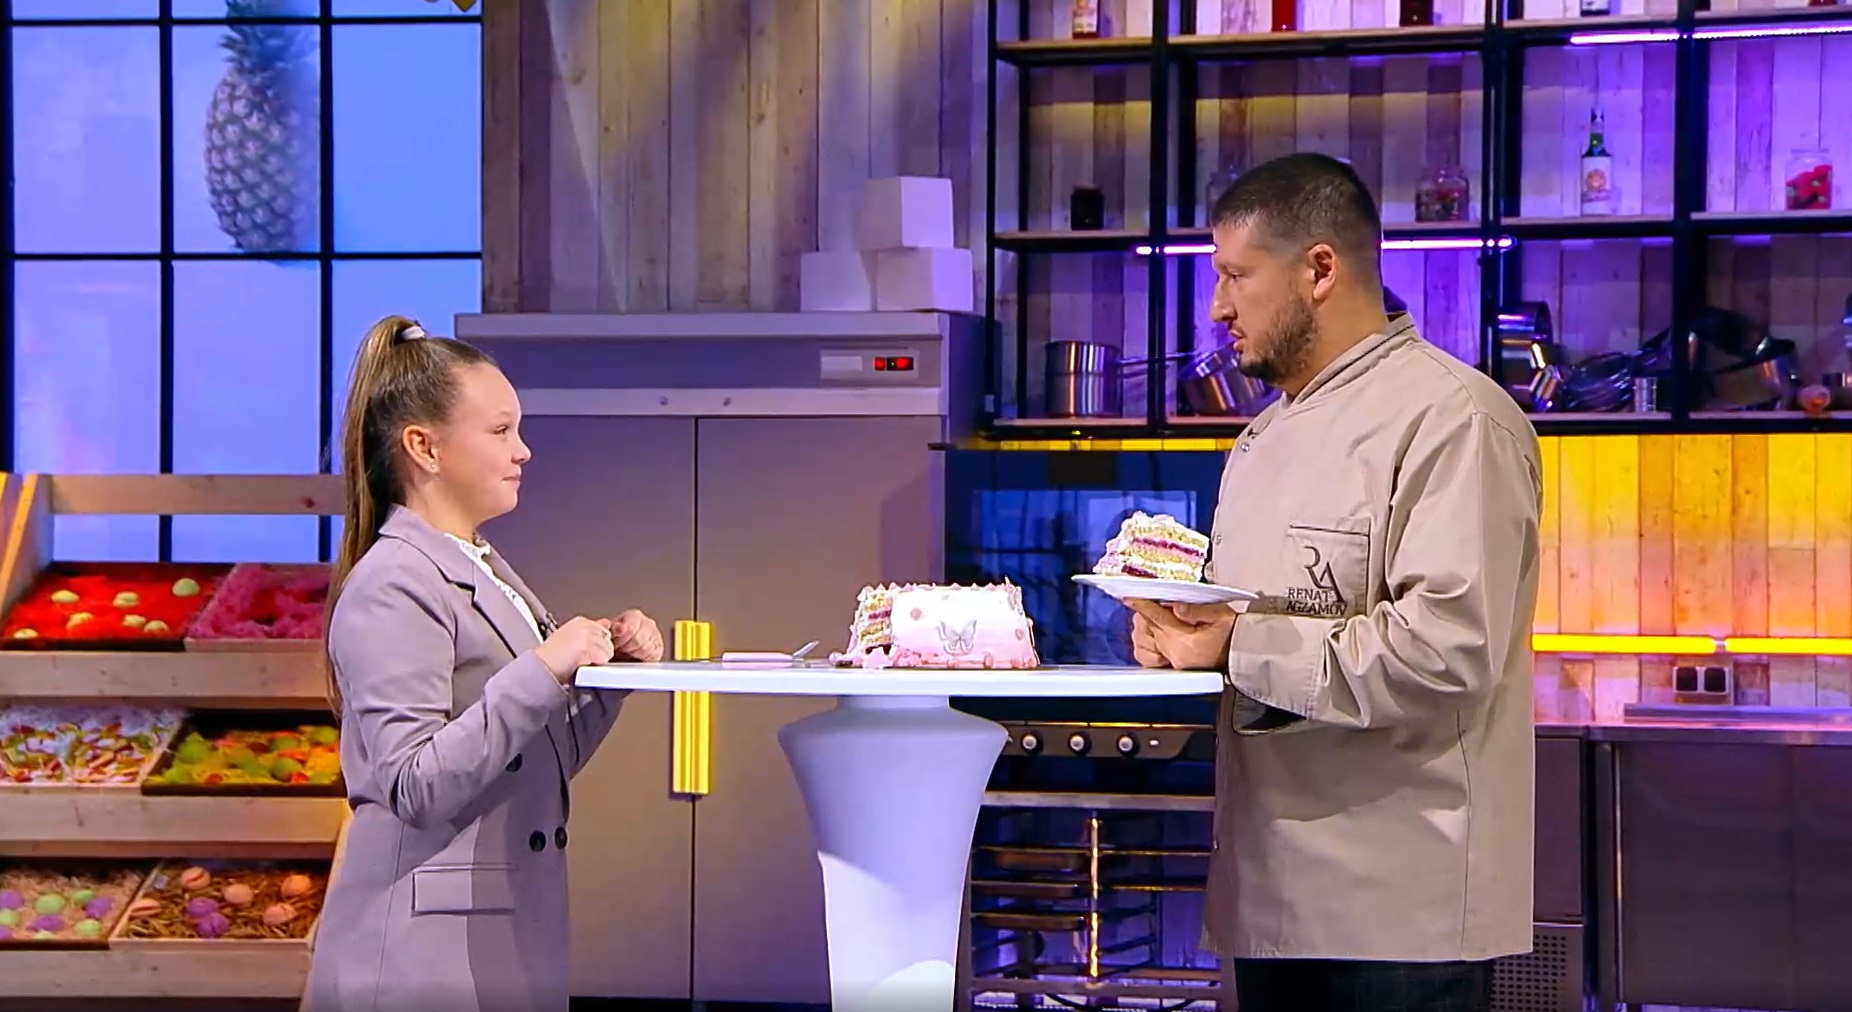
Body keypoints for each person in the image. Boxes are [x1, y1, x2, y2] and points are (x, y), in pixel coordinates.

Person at [1128, 153, 1541, 1012]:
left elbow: (1445, 655)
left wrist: (1237, 646)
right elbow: (1253, 637)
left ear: (1320, 269)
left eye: (1235, 275)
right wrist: (1179, 635)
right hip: (1270, 900)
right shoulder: (1259, 440)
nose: (1217, 307)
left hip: (1400, 917)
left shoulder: (1454, 419)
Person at [301, 315, 664, 1012]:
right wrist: (544, 667)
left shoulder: (482, 568)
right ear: (423, 447)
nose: (522, 451)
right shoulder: (395, 581)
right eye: (500, 431)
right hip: (420, 955)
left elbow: (528, 756)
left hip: (499, 936)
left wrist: (607, 679)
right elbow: (414, 783)